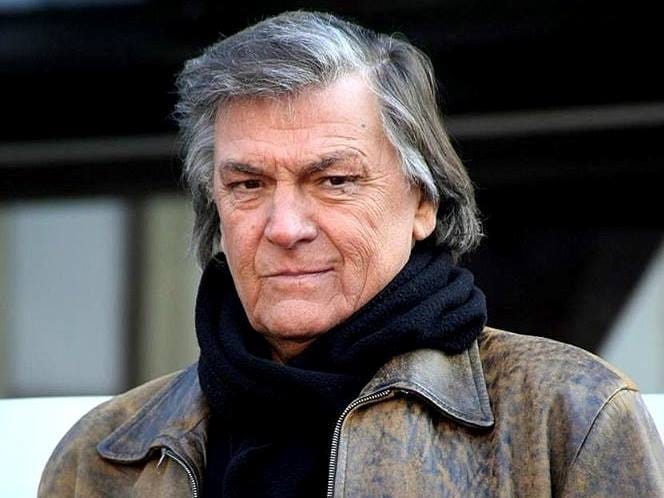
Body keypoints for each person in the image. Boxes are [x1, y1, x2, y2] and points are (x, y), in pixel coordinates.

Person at [39, 10, 664, 498]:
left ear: (424, 202)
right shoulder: (103, 456)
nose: (285, 227)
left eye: (334, 181)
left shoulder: (566, 415)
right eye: (248, 185)